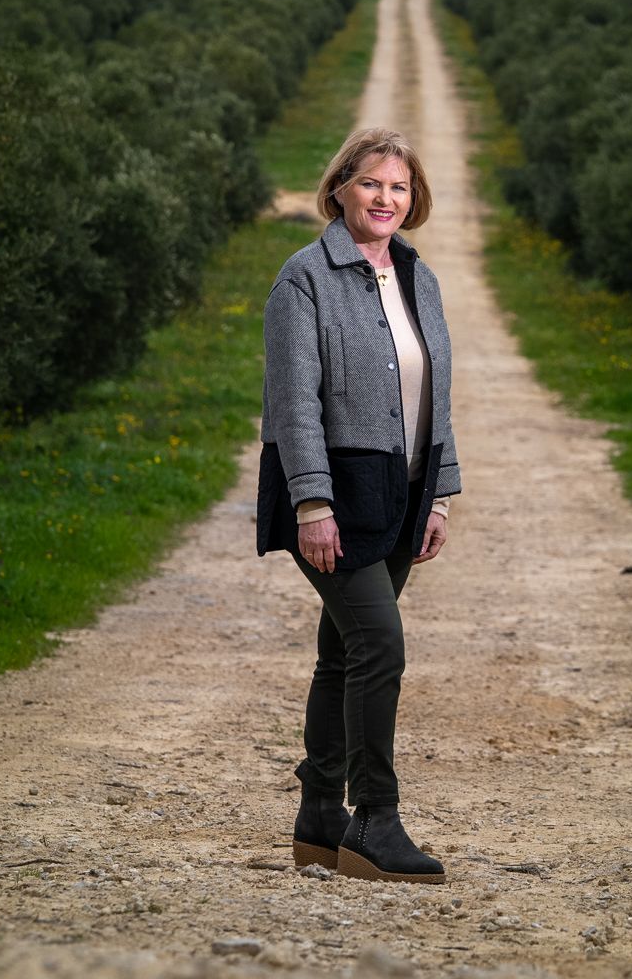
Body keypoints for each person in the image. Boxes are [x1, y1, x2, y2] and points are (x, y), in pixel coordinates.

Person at [256, 126, 460, 885]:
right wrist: (312, 502)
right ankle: (375, 818)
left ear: (414, 199)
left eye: (399, 187)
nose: (385, 199)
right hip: (333, 494)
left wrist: (439, 490)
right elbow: (292, 404)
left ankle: (318, 815)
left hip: (401, 493)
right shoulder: (302, 279)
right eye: (371, 184)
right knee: (381, 645)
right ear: (339, 188)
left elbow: (438, 395)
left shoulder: (419, 277)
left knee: (344, 651)